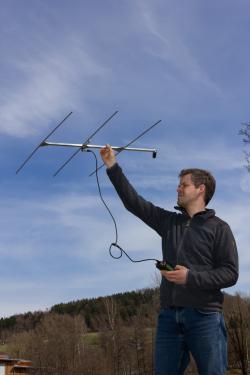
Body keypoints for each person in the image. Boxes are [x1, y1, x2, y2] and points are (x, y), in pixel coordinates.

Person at [100, 144, 238, 375]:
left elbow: (230, 273)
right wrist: (112, 166)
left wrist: (190, 277)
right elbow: (134, 202)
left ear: (200, 189)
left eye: (184, 185)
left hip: (205, 316)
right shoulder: (169, 222)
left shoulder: (220, 228)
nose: (178, 189)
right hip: (168, 318)